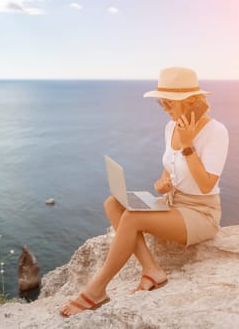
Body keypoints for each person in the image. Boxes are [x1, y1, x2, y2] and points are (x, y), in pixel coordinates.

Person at [60, 67, 229, 317]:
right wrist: (163, 183)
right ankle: (152, 270)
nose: (163, 107)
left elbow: (205, 185)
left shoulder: (216, 132)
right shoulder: (171, 127)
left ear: (191, 102)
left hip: (201, 213)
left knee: (132, 217)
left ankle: (96, 290)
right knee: (113, 204)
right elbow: (166, 171)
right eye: (161, 101)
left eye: (168, 102)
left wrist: (187, 146)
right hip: (174, 202)